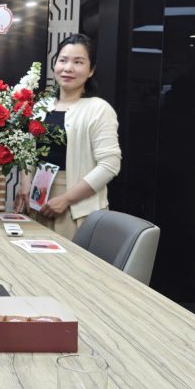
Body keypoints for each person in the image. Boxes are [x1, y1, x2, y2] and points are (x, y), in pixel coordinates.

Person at [15, 33, 121, 240]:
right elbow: (27, 151)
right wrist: (25, 185)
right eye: (63, 60)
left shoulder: (99, 109)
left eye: (78, 62)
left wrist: (66, 199)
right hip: (38, 199)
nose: (68, 68)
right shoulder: (41, 106)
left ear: (91, 70)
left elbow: (109, 165)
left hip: (77, 206)